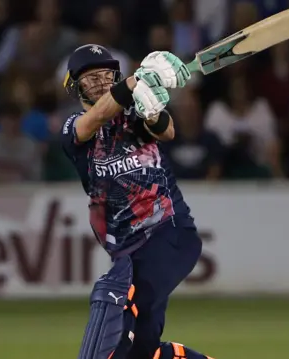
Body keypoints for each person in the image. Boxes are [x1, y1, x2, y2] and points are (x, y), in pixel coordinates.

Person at [60, 44, 214, 359]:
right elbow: (93, 120)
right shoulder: (73, 127)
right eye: (91, 78)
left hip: (168, 233)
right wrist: (133, 82)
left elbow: (166, 130)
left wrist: (152, 104)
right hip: (125, 248)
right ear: (76, 87)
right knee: (139, 352)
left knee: (114, 292)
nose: (102, 82)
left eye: (107, 75)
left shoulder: (133, 117)